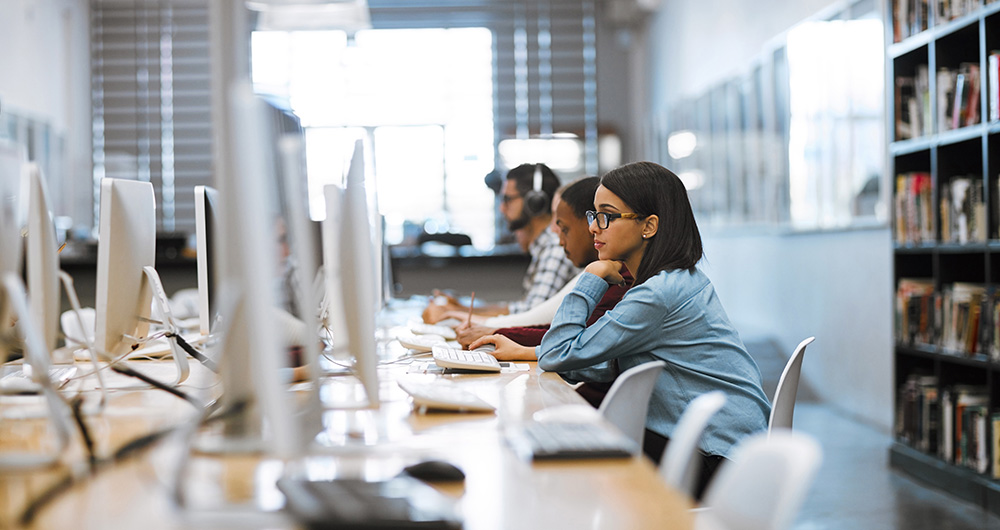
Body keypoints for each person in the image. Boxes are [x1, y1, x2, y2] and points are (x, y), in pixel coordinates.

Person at [471, 161, 771, 499]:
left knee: (564, 465)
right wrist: (533, 353)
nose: (594, 228)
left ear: (649, 226)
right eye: (593, 215)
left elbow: (559, 353)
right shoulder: (671, 281)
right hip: (729, 446)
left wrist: (591, 277)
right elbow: (611, 360)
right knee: (561, 445)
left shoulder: (657, 294)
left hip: (716, 457)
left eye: (607, 216)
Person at [454, 176, 629, 358]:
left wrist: (495, 333)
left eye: (605, 217)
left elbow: (571, 343)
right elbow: (563, 335)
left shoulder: (620, 279)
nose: (553, 229)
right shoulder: (610, 272)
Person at [423, 163, 577, 322]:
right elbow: (521, 308)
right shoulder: (544, 248)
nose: (502, 208)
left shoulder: (555, 249)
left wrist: (455, 314)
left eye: (507, 199)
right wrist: (461, 308)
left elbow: (530, 317)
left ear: (534, 203)